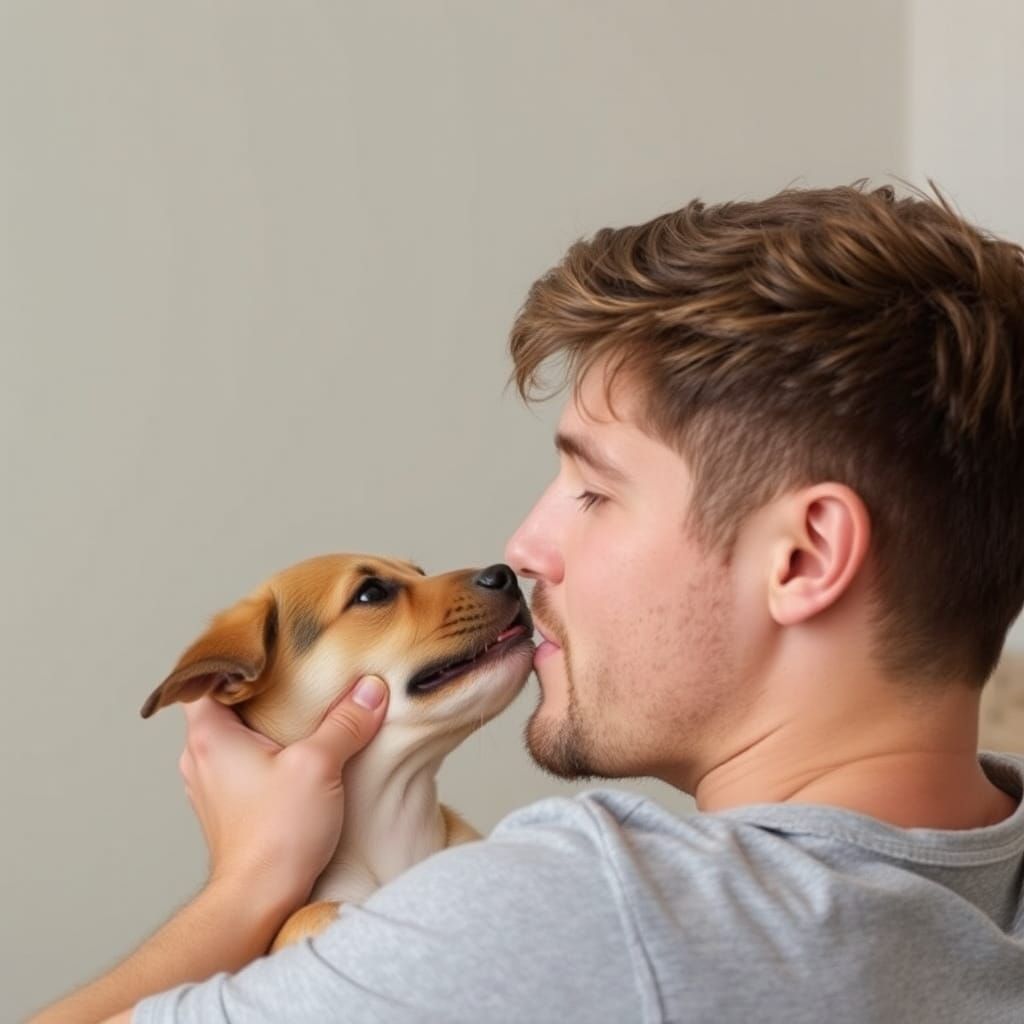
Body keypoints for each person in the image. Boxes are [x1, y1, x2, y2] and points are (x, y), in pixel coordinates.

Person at [32, 180, 1024, 1024]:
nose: (524, 546)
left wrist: (248, 880)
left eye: (593, 490)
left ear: (804, 557)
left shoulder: (592, 914)